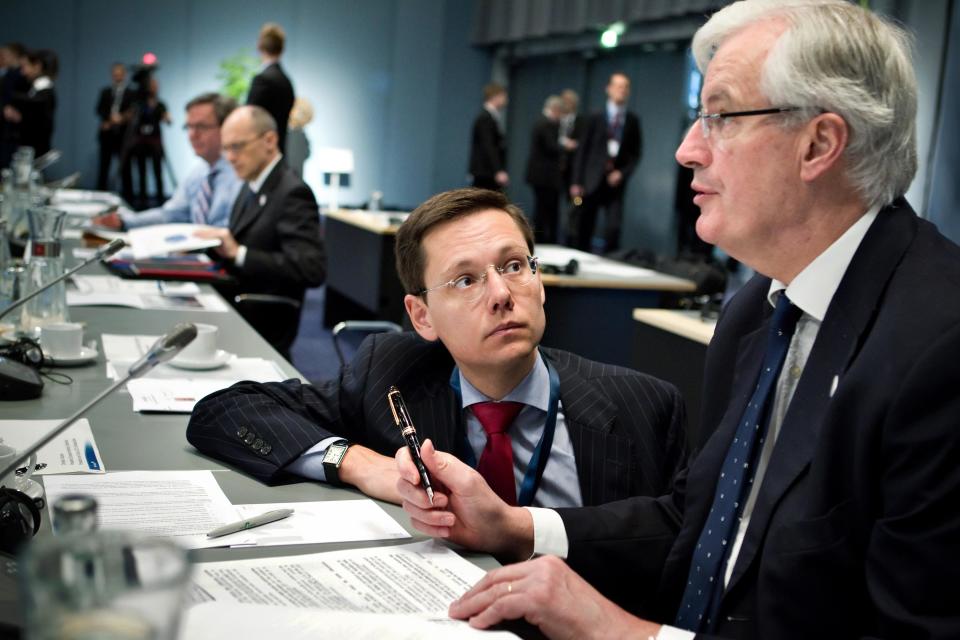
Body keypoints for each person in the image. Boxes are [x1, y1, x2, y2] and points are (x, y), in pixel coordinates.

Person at [395, 1, 960, 639]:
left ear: (819, 144)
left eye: (719, 116)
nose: (687, 149)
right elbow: (704, 519)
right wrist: (514, 527)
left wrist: (628, 634)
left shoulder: (940, 348)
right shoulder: (756, 312)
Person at [186, 187, 687, 512]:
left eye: (514, 266)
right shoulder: (392, 373)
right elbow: (224, 411)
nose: (500, 294)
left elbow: (674, 558)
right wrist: (362, 464)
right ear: (421, 315)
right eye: (466, 279)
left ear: (540, 280)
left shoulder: (645, 408)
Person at [194, 105, 325, 358]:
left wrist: (240, 253)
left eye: (237, 147)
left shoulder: (292, 192)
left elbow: (312, 269)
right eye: (226, 149)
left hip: (260, 319)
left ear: (269, 140)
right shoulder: (251, 184)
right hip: (235, 304)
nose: (230, 157)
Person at [92, 92, 242, 230]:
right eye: (189, 127)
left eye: (201, 126)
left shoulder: (241, 175)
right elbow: (170, 214)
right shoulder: (200, 173)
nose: (192, 135)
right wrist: (124, 221)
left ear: (228, 127)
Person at [569, 73, 641, 253]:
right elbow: (582, 150)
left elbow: (635, 154)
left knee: (613, 228)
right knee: (585, 225)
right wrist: (576, 181)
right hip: (592, 179)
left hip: (615, 183)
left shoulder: (632, 120)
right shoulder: (595, 117)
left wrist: (622, 173)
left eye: (625, 87)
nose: (621, 90)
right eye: (618, 86)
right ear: (608, 89)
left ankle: (610, 265)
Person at [525, 95, 570, 244]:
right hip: (544, 176)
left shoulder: (541, 122)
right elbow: (551, 147)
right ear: (555, 110)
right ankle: (542, 239)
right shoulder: (545, 124)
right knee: (544, 210)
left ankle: (542, 238)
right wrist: (566, 146)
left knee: (543, 209)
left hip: (541, 176)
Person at [247, 23, 295, 154]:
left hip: (261, 153)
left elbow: (248, 119)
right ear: (282, 48)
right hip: (278, 152)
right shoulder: (286, 81)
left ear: (259, 46)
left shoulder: (262, 80)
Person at [3, 48, 58, 157]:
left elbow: (35, 105)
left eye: (25, 67)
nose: (22, 72)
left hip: (36, 147)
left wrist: (8, 97)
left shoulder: (44, 90)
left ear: (37, 66)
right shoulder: (34, 88)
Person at [128, 76, 170, 206]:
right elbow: (131, 118)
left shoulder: (160, 104)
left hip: (155, 142)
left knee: (158, 172)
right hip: (141, 142)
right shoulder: (140, 104)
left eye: (155, 85)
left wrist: (166, 117)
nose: (154, 88)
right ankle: (142, 201)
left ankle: (160, 200)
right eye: (151, 85)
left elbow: (167, 119)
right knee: (142, 173)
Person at [95, 62, 135, 192]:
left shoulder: (131, 93)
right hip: (107, 134)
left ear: (124, 75)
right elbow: (99, 109)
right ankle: (101, 194)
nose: (117, 77)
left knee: (125, 168)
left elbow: (133, 112)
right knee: (103, 167)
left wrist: (121, 119)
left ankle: (128, 197)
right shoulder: (105, 92)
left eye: (119, 74)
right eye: (114, 74)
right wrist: (110, 119)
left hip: (123, 135)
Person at [468, 83, 509, 191]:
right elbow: (488, 145)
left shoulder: (490, 117)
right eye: (503, 96)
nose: (506, 100)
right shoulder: (486, 118)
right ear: (495, 96)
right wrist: (498, 170)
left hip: (487, 171)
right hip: (485, 172)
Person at [0, 42, 28, 168]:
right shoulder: (8, 74)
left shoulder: (19, 76)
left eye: (6, 55)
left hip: (14, 129)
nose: (3, 58)